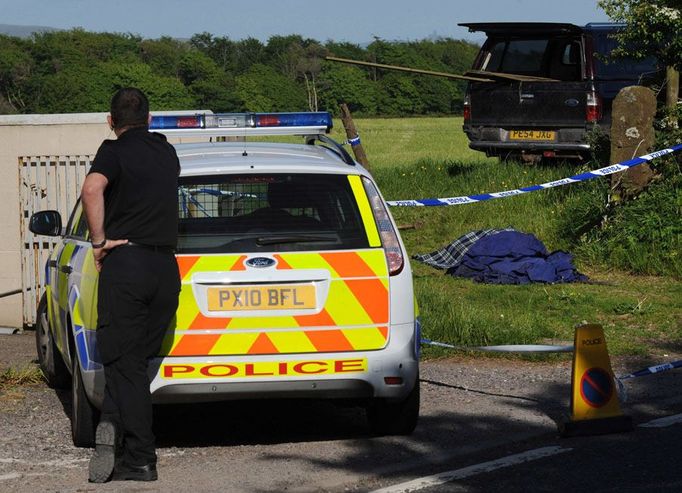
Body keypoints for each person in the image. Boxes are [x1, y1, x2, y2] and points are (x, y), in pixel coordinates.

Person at [81, 87, 181, 483]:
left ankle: (139, 458)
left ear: (111, 121)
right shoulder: (166, 151)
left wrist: (99, 241)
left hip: (129, 265)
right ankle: (113, 421)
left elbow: (92, 189)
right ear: (150, 119)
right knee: (136, 363)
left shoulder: (113, 149)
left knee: (125, 365)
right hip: (165, 269)